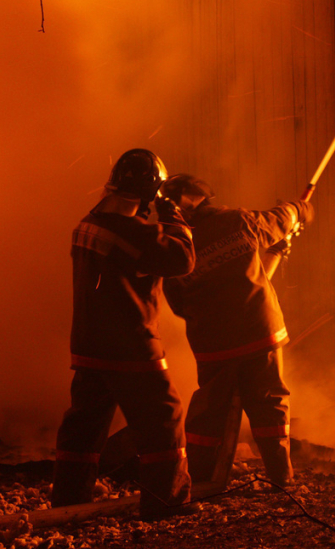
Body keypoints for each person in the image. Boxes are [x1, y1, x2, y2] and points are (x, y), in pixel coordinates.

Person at [52, 149, 198, 521]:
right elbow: (182, 259)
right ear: (150, 194)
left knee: (83, 430)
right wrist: (173, 214)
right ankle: (167, 504)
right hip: (130, 349)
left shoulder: (88, 222)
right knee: (164, 419)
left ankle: (69, 503)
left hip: (89, 346)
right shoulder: (133, 233)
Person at [160, 174, 313, 487]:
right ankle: (280, 478)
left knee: (208, 413)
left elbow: (177, 305)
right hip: (259, 333)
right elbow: (278, 219)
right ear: (203, 197)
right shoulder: (237, 221)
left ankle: (200, 480)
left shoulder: (173, 246)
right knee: (270, 404)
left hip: (213, 344)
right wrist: (299, 209)